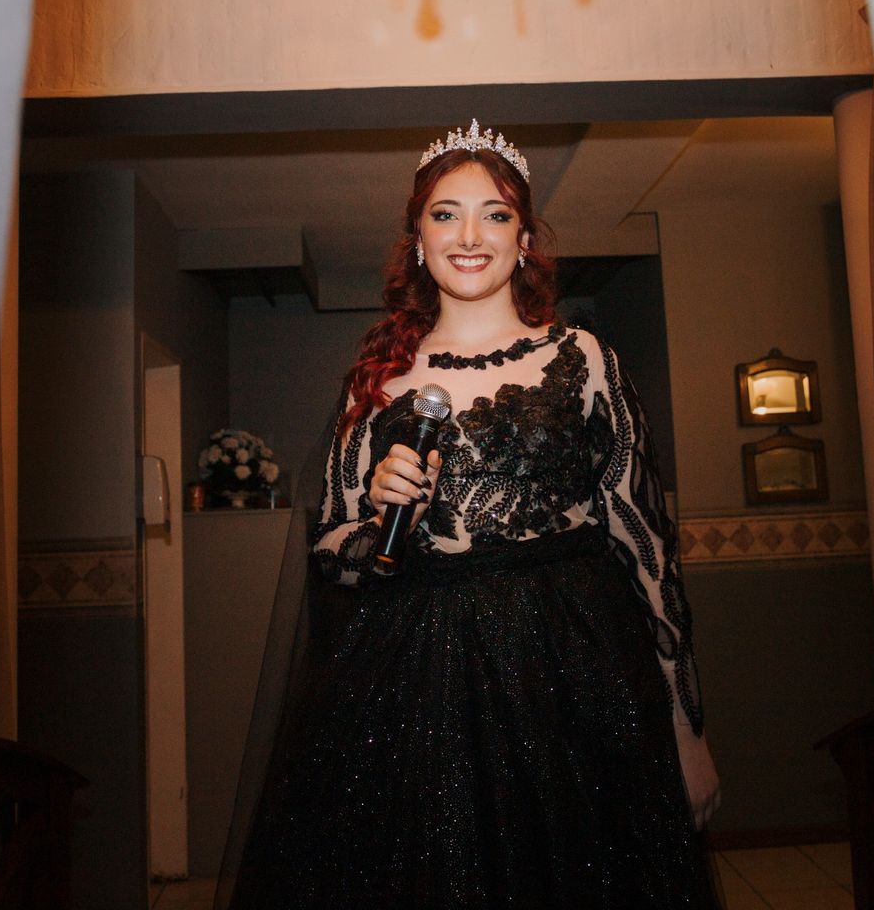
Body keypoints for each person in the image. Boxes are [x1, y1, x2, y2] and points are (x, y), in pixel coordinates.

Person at [221, 121, 722, 910]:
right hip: (420, 685)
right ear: (416, 238)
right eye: (446, 213)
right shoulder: (378, 383)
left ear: (524, 237)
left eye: (495, 213)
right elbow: (333, 551)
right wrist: (382, 510)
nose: (470, 233)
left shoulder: (584, 358)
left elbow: (645, 547)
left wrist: (686, 729)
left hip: (577, 676)